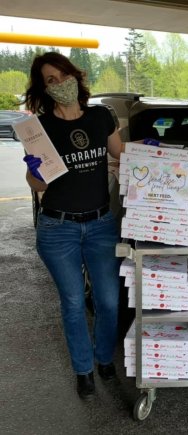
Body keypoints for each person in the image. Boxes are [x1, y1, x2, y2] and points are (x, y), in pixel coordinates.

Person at [22, 51, 123, 400]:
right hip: (57, 229)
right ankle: (84, 370)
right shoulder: (41, 128)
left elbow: (121, 154)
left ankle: (104, 357)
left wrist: (155, 154)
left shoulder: (100, 117)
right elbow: (39, 185)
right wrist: (34, 171)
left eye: (62, 75)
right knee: (73, 303)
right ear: (43, 88)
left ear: (74, 77)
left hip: (100, 225)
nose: (59, 84)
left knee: (109, 301)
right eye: (50, 80)